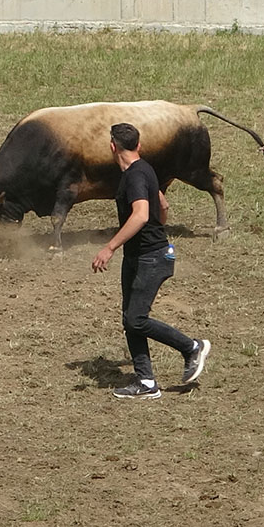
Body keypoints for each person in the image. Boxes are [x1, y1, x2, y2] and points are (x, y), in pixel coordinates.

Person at [91, 123, 208, 400]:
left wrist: (110, 247)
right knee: (131, 319)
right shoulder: (145, 170)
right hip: (141, 255)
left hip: (150, 258)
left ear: (112, 147)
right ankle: (146, 382)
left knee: (136, 319)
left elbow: (141, 214)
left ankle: (192, 347)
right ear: (138, 146)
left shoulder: (134, 176)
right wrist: (158, 233)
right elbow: (163, 206)